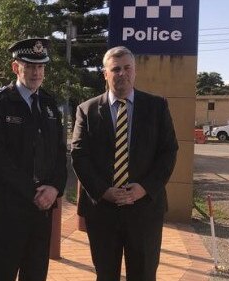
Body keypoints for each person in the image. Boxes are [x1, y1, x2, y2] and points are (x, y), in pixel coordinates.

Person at [71, 46, 178, 281]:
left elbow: (168, 152)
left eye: (127, 68)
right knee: (105, 275)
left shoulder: (157, 107)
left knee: (144, 275)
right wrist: (103, 191)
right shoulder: (86, 110)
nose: (122, 73)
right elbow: (79, 155)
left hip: (145, 210)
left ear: (135, 71)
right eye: (115, 69)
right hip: (102, 212)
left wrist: (144, 188)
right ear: (105, 74)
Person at [0, 38, 67, 281]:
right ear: (15, 67)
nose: (36, 72)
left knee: (35, 273)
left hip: (42, 210)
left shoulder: (49, 105)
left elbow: (60, 154)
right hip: (9, 209)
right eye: (29, 66)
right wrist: (33, 192)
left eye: (40, 67)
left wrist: (55, 188)